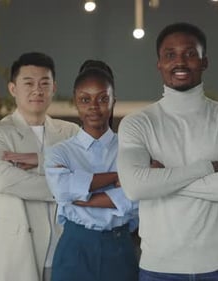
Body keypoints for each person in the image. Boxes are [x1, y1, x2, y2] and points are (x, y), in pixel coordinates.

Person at [116, 22, 218, 281]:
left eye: (190, 53)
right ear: (159, 63)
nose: (180, 62)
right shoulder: (137, 123)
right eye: (170, 54)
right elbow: (135, 188)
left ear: (205, 61)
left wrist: (161, 180)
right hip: (159, 269)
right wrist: (206, 168)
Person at [0, 52, 79, 281]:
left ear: (54, 88)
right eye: (29, 83)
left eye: (45, 83)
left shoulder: (70, 132)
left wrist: (41, 161)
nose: (37, 90)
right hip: (17, 252)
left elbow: (90, 173)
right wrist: (68, 185)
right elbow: (3, 179)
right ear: (13, 88)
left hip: (63, 251)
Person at [44, 60, 139, 281]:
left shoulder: (133, 150)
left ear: (113, 101)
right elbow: (62, 192)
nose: (94, 107)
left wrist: (82, 196)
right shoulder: (59, 152)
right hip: (75, 248)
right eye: (85, 100)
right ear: (76, 103)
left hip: (120, 249)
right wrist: (118, 177)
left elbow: (136, 195)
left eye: (102, 99)